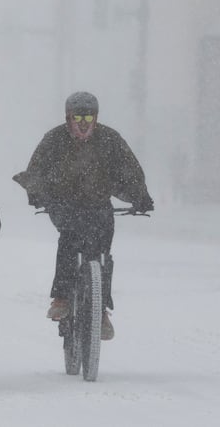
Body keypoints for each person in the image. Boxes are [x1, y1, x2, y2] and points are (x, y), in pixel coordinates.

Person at [13, 91, 153, 340]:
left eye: (89, 116)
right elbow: (36, 170)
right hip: (63, 204)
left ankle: (101, 309)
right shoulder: (54, 139)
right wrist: (36, 193)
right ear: (68, 118)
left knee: (102, 251)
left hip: (98, 204)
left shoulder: (110, 139)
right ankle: (62, 297)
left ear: (96, 118)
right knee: (69, 238)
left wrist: (140, 196)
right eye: (78, 116)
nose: (84, 122)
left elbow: (130, 170)